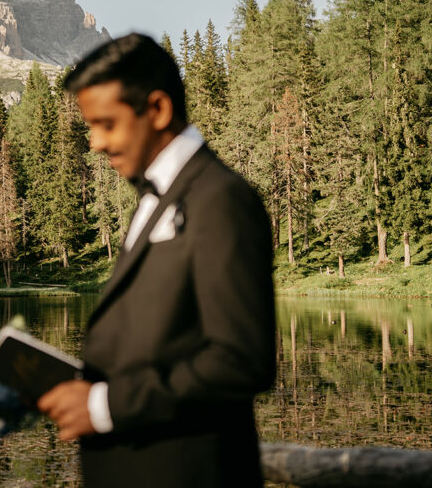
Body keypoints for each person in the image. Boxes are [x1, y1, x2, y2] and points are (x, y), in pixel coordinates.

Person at [38, 33, 277, 487]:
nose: (95, 142)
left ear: (159, 109)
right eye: (91, 126)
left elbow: (241, 360)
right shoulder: (158, 197)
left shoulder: (220, 199)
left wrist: (104, 406)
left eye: (107, 124)